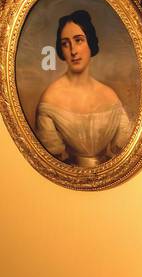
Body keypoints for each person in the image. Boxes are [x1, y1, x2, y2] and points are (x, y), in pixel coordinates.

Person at [34, 9, 133, 166]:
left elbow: (125, 145)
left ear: (90, 43)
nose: (73, 51)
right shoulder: (51, 97)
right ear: (61, 50)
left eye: (79, 40)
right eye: (66, 44)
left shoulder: (110, 95)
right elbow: (52, 157)